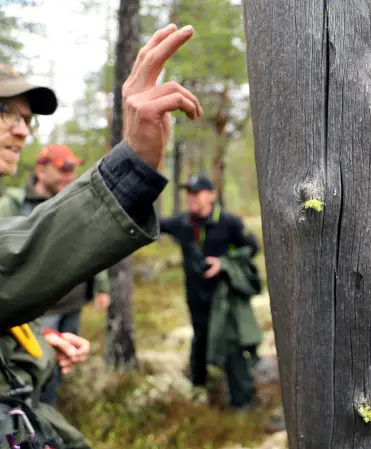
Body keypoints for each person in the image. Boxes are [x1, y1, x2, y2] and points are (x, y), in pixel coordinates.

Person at [0, 23, 202, 449]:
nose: (22, 131)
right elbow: (11, 264)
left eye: (26, 120)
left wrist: (37, 344)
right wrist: (130, 168)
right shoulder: (13, 204)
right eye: (6, 112)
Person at [0, 144, 112, 408]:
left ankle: (49, 411)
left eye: (73, 169)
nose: (70, 176)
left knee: (62, 361)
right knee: (33, 365)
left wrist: (102, 285)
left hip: (72, 304)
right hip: (35, 312)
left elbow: (92, 245)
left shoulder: (72, 204)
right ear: (41, 170)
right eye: (64, 169)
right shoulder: (14, 206)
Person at [159, 175, 262, 411]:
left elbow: (252, 247)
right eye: (188, 193)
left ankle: (242, 403)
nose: (191, 198)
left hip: (224, 300)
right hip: (196, 298)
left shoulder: (229, 222)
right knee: (200, 340)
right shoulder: (183, 223)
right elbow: (155, 224)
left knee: (232, 346)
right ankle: (199, 391)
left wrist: (223, 263)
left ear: (211, 195)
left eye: (196, 192)